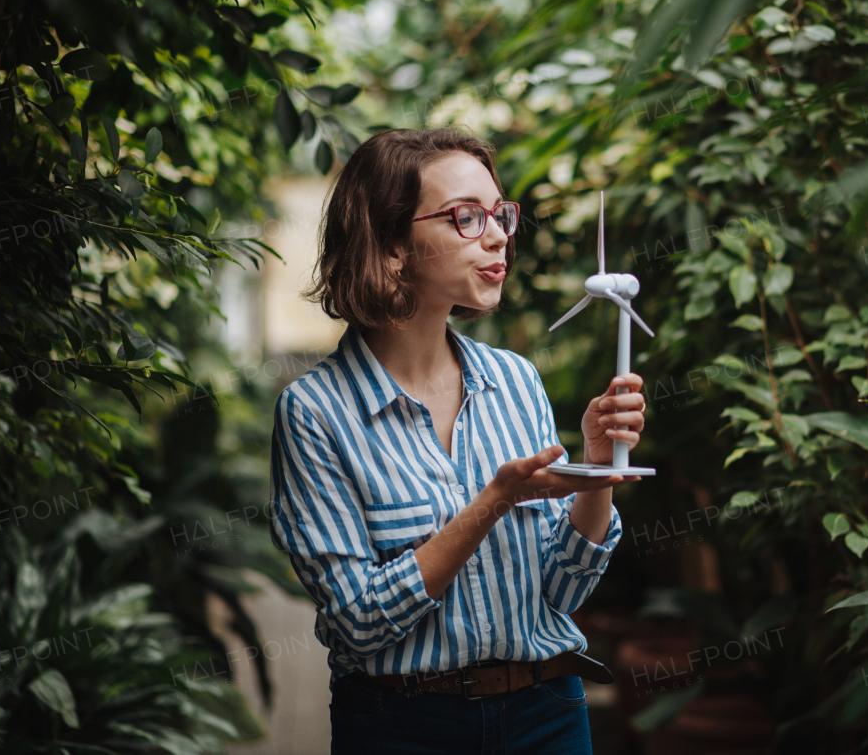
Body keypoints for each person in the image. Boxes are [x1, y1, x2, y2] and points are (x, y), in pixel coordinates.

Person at [268, 127, 646, 754]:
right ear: (392, 247)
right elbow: (358, 623)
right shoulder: (315, 414)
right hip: (403, 726)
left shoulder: (515, 381)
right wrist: (491, 503)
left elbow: (560, 591)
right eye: (465, 218)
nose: (499, 235)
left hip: (548, 712)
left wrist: (596, 474)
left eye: (500, 215)